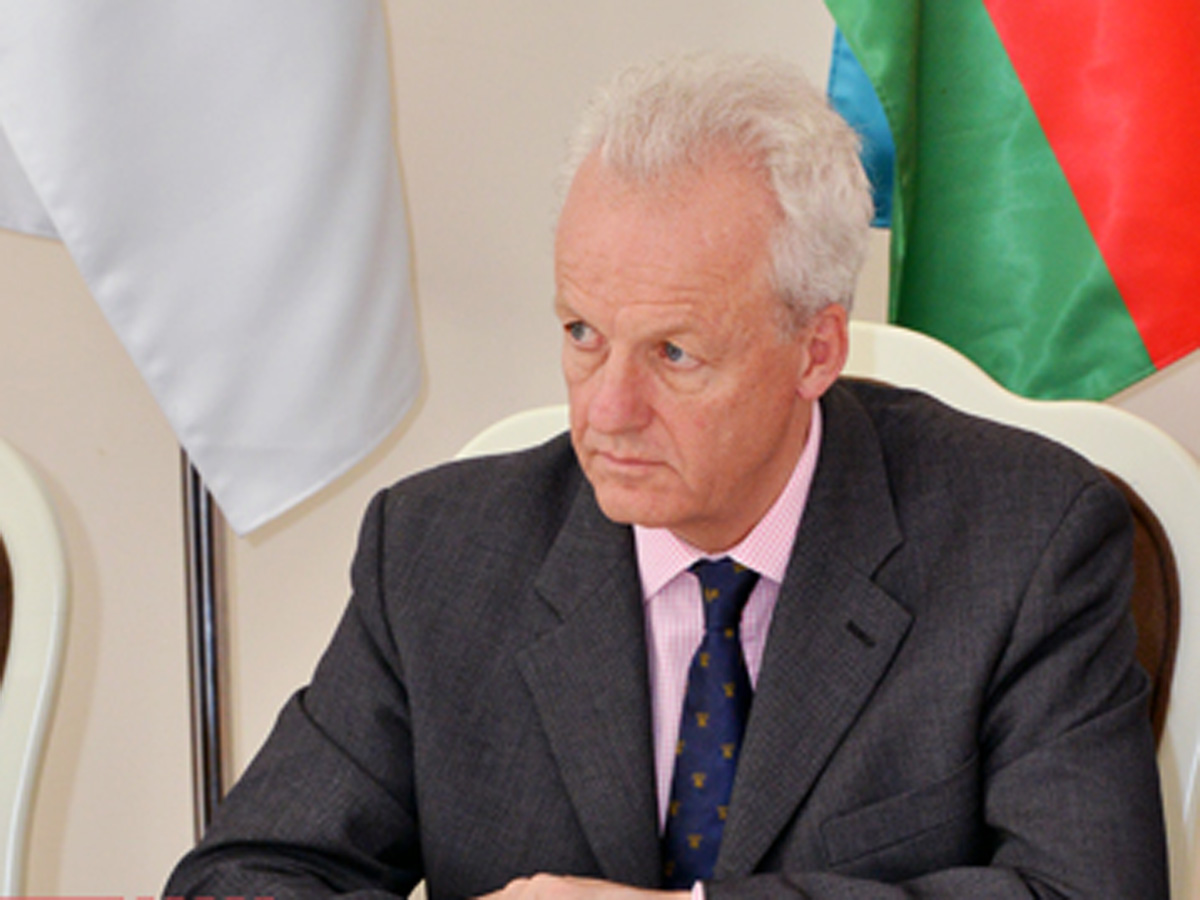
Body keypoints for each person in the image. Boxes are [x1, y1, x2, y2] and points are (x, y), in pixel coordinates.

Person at [165, 52, 1168, 899]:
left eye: (675, 354)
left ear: (816, 350)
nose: (608, 410)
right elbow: (243, 877)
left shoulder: (1026, 540)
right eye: (582, 333)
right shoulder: (437, 553)